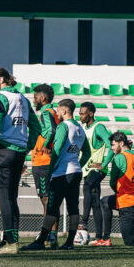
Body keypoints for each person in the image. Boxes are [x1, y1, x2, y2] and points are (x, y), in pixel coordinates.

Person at [0, 67, 40, 255]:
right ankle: (11, 240)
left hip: (4, 151)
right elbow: (36, 127)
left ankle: (10, 243)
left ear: (2, 80)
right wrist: (26, 146)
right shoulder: (23, 99)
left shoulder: (0, 98)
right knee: (11, 198)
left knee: (4, 198)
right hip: (18, 153)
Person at [22, 99, 87, 251]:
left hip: (62, 173)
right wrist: (78, 165)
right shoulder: (80, 128)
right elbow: (87, 153)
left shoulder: (63, 126)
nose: (57, 114)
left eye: (58, 111)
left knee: (52, 208)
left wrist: (51, 170)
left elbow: (56, 150)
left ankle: (41, 241)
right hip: (75, 172)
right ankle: (69, 242)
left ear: (64, 111)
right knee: (73, 208)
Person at [77, 101, 113, 242]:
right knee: (95, 202)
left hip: (98, 170)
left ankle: (84, 220)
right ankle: (100, 237)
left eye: (82, 113)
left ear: (91, 113)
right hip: (87, 170)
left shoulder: (99, 127)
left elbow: (111, 144)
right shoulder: (84, 128)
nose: (80, 115)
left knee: (87, 187)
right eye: (79, 113)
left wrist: (104, 163)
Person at [30, 83, 59, 247]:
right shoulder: (51, 112)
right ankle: (51, 235)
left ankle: (48, 236)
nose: (34, 100)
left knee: (47, 200)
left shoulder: (46, 113)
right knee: (49, 200)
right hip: (44, 163)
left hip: (43, 163)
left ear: (43, 98)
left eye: (35, 97)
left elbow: (52, 131)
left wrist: (46, 146)